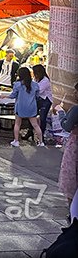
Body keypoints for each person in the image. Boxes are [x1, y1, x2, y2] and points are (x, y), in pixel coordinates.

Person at [5, 66, 43, 147]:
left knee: (17, 124)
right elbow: (37, 96)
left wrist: (4, 96)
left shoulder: (17, 84)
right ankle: (41, 142)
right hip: (32, 107)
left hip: (20, 107)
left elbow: (13, 95)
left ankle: (16, 141)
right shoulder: (35, 85)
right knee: (35, 125)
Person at [58, 84, 78, 216]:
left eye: (76, 91)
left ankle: (73, 212)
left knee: (71, 177)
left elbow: (66, 126)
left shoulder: (76, 110)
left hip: (75, 145)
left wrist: (61, 113)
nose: (74, 93)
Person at [29, 64, 52, 143]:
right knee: (31, 115)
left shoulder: (45, 80)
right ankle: (30, 132)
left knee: (42, 118)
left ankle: (41, 136)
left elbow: (38, 90)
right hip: (38, 99)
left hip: (46, 100)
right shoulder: (36, 79)